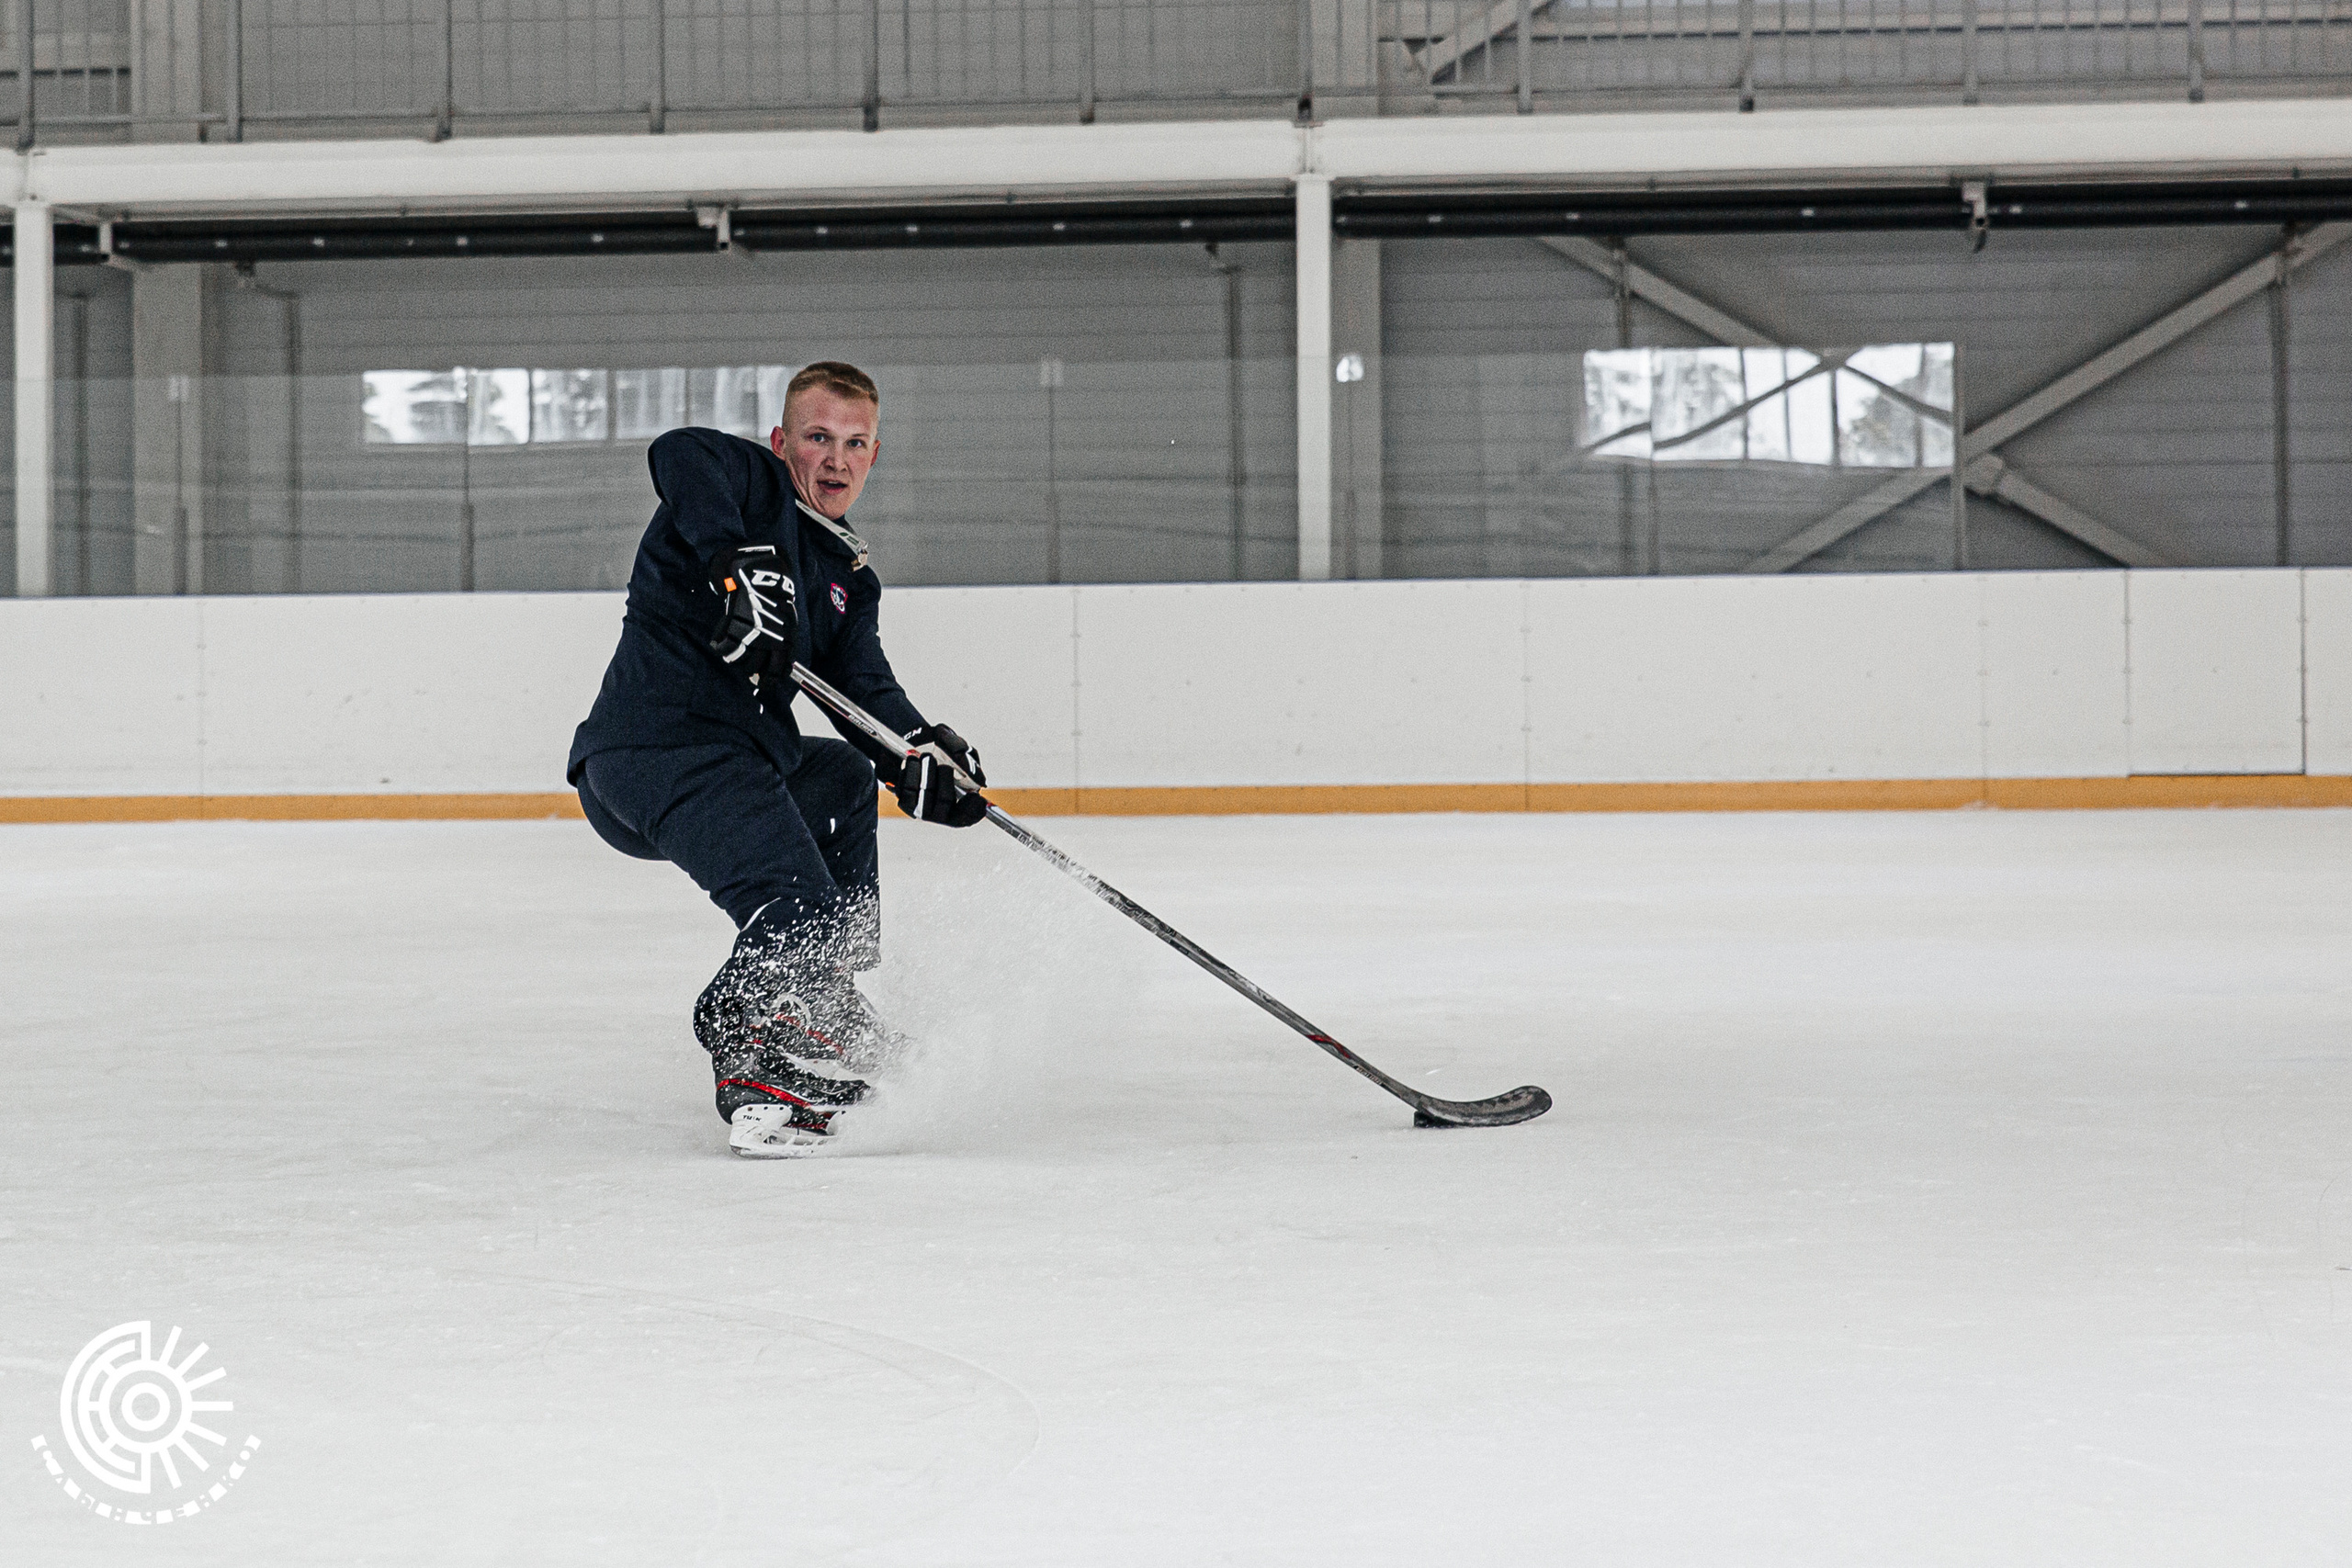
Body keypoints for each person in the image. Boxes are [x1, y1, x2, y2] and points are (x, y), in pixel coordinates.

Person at [568, 361, 988, 1158]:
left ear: (874, 456)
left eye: (855, 443)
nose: (835, 459)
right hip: (651, 752)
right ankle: (747, 1050)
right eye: (818, 437)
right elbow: (678, 449)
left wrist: (918, 755)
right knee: (791, 902)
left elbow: (864, 688)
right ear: (781, 441)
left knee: (839, 774)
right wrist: (738, 564)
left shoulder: (844, 576)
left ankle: (821, 992)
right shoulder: (745, 487)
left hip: (735, 763)